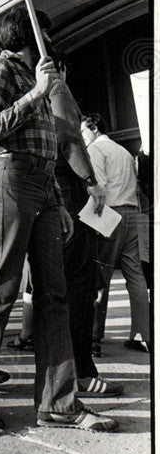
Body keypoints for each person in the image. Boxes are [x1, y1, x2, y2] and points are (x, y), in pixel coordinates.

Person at [0, 5, 118, 432]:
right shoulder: (0, 70)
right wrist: (37, 93)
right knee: (3, 285)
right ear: (28, 35)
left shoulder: (39, 75)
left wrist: (59, 201)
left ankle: (58, 403)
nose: (51, 37)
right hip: (9, 177)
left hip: (42, 186)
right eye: (44, 31)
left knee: (55, 293)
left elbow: (51, 145)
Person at [81, 112, 151, 354]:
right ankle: (142, 335)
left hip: (110, 214)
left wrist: (90, 222)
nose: (82, 138)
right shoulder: (122, 151)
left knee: (99, 276)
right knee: (136, 275)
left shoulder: (95, 150)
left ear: (95, 128)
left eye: (83, 132)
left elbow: (98, 188)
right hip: (133, 214)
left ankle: (92, 339)